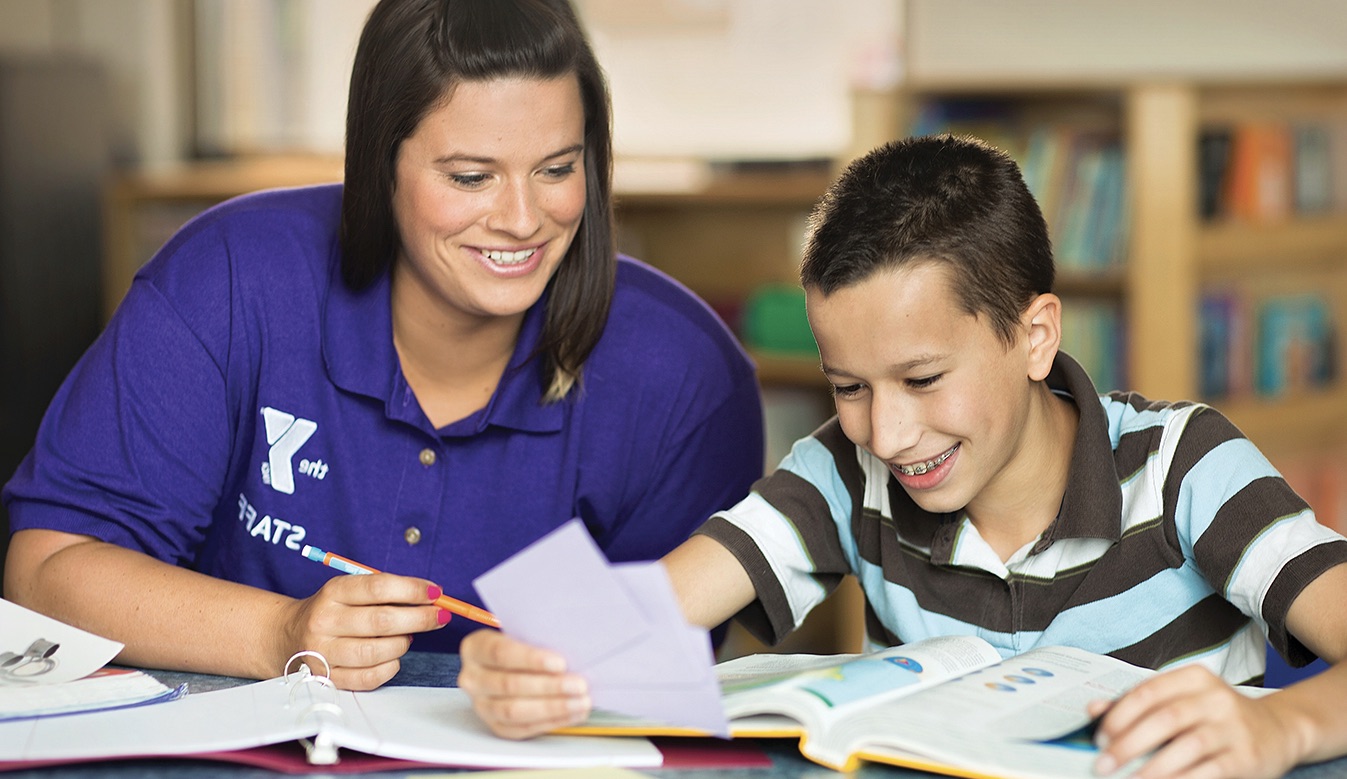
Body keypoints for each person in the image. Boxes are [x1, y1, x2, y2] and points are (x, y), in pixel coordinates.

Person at [458, 134, 1347, 779]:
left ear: (1033, 336)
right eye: (849, 386)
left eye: (922, 378)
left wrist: (1280, 731)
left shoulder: (1186, 465)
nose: (884, 435)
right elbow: (647, 609)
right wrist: (532, 661)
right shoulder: (844, 474)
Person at [2, 0, 763, 692]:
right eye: (470, 176)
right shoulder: (229, 279)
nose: (523, 218)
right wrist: (279, 634)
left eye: (557, 169)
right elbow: (46, 570)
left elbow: (657, 677)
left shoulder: (685, 378)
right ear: (380, 167)